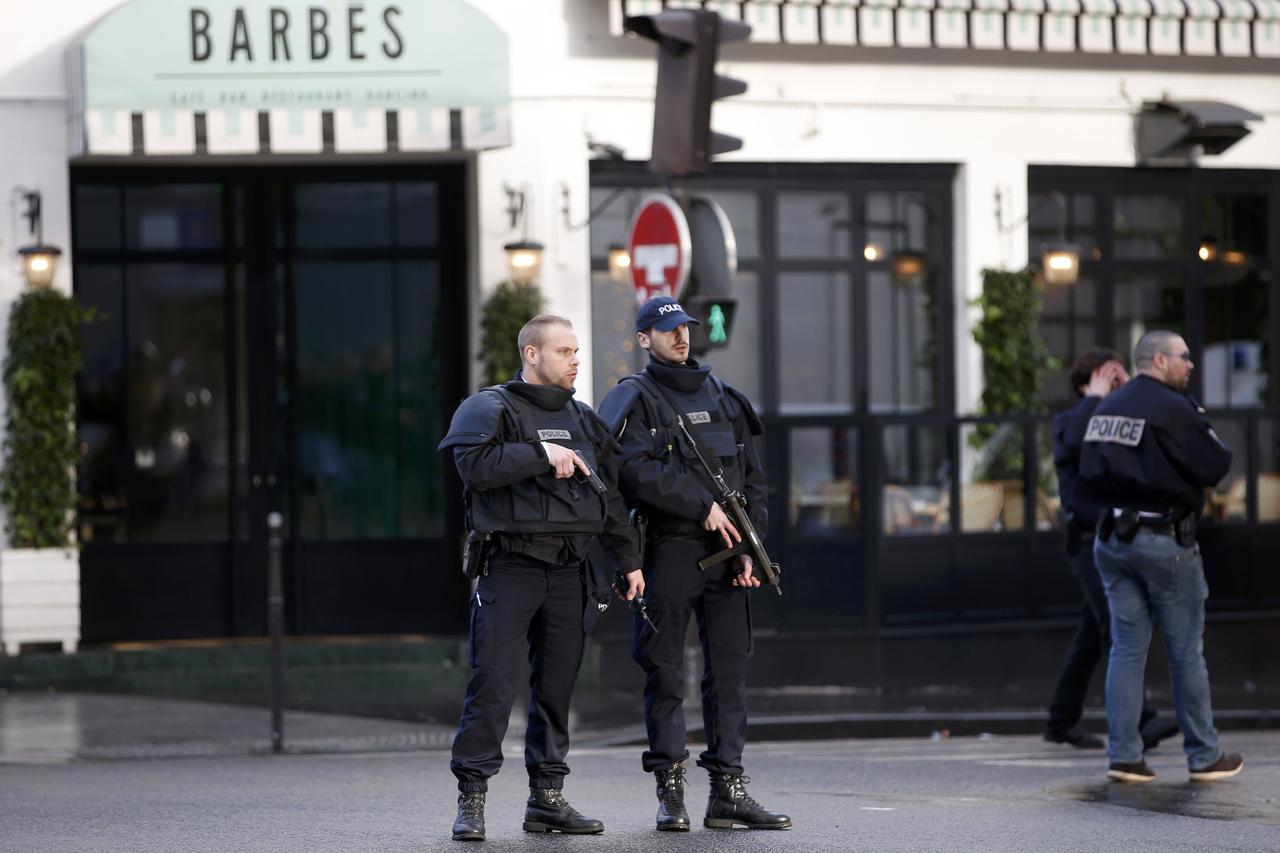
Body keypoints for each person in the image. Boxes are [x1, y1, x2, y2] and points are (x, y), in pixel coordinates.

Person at [438, 315, 642, 840]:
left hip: (571, 570)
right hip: (512, 565)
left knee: (556, 688)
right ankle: (473, 800)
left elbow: (611, 495)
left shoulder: (585, 418)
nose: (577, 360)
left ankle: (547, 800)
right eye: (565, 351)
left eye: (577, 351)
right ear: (532, 354)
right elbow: (473, 467)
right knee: (494, 683)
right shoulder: (490, 407)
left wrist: (629, 559)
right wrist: (540, 454)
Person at [598, 296, 791, 832]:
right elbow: (631, 471)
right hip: (670, 548)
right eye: (666, 330)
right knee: (663, 670)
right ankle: (671, 791)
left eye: (684, 328)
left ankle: (728, 789)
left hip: (731, 554)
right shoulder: (633, 399)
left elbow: (754, 480)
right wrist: (697, 504)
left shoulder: (726, 398)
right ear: (644, 339)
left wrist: (754, 548)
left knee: (729, 671)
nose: (680, 337)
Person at [1079, 330, 1243, 783]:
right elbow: (1215, 464)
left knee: (1126, 650)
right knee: (1186, 651)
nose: (1190, 365)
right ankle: (1205, 755)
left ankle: (1125, 756)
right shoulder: (1173, 408)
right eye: (1184, 357)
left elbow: (1087, 470)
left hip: (1112, 540)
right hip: (1163, 541)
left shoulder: (1107, 406)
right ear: (1158, 359)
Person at [1044, 349, 1177, 751]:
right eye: (1108, 381)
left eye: (1121, 382)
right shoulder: (1071, 421)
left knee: (1092, 633)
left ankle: (1061, 719)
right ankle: (1141, 719)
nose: (1117, 391)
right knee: (1115, 628)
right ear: (1086, 385)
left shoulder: (1114, 422)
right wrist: (1095, 398)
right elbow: (1069, 444)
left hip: (1119, 538)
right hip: (1088, 539)